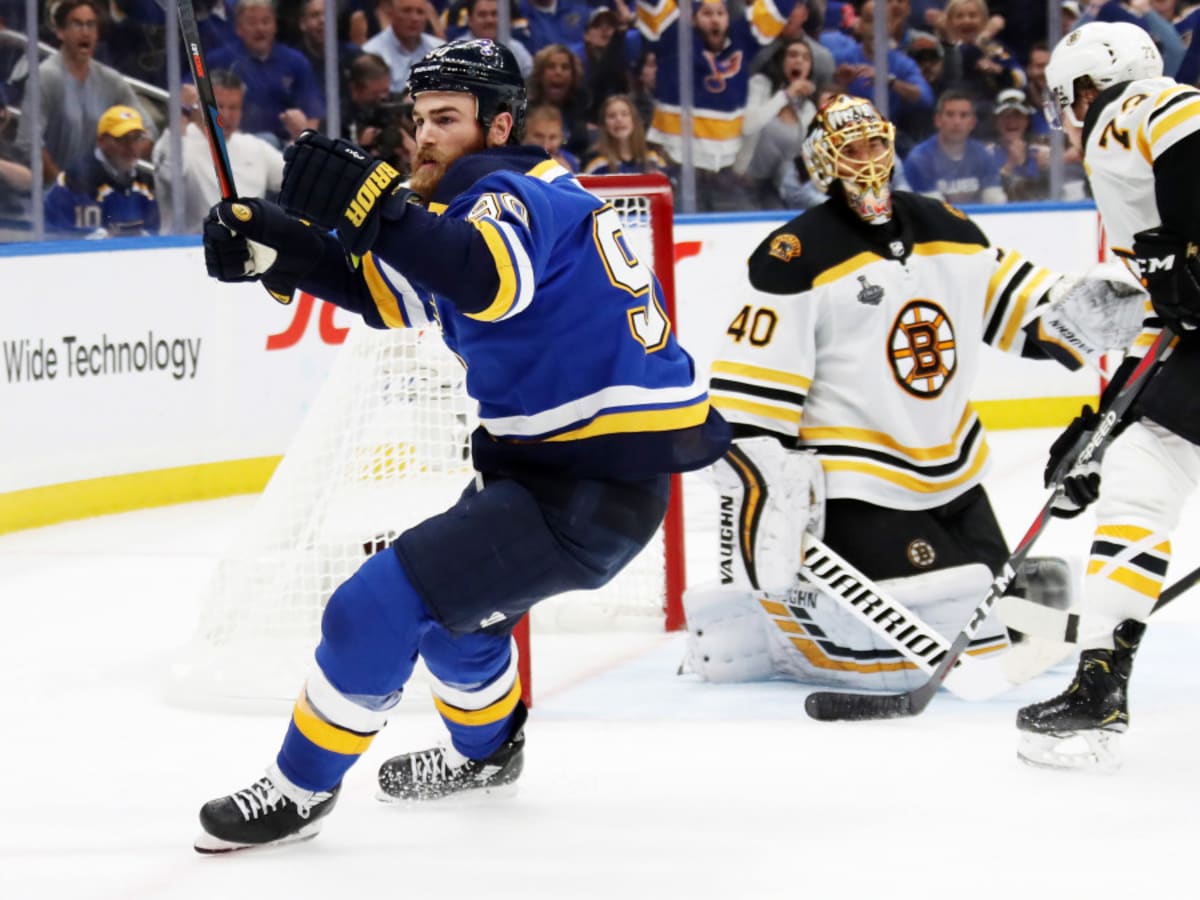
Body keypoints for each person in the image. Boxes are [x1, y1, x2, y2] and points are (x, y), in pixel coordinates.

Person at [194, 37, 730, 852]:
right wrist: (280, 243)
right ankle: (489, 753)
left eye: (446, 118)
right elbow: (392, 291)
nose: (425, 137)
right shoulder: (495, 203)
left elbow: (488, 276)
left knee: (370, 607)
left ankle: (300, 788)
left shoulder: (516, 192)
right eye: (418, 120)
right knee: (458, 624)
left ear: (502, 124)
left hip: (585, 488)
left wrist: (381, 210)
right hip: (569, 478)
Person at [688, 93, 1079, 691]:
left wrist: (1109, 307)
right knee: (932, 636)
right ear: (824, 162)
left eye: (874, 144)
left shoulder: (948, 227)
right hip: (857, 484)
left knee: (995, 622)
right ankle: (782, 637)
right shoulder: (794, 256)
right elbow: (749, 401)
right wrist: (770, 491)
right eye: (850, 149)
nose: (866, 159)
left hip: (953, 474)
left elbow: (1033, 313)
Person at [1015, 21, 1200, 770]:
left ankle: (1099, 689)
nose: (1069, 116)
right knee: (1135, 473)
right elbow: (1168, 325)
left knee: (1140, 489)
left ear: (1084, 88)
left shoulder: (1130, 112)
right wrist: (1099, 426)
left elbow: (1188, 129)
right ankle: (1099, 683)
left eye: (1068, 99)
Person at [14, 0, 156, 184]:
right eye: (77, 24)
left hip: (99, 194)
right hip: (50, 196)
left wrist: (128, 149)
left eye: (91, 25)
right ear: (60, 32)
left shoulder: (111, 81)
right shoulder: (45, 77)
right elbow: (28, 142)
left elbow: (149, 130)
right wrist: (62, 185)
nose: (85, 32)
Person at [153, 74, 285, 233]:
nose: (227, 116)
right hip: (189, 249)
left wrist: (301, 136)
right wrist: (181, 115)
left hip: (249, 249)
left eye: (234, 107)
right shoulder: (177, 140)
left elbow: (298, 178)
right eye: (219, 107)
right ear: (199, 106)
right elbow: (171, 176)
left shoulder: (255, 147)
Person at [206, 0, 326, 147]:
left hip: (284, 147)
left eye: (266, 21)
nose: (260, 28)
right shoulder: (218, 61)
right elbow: (191, 97)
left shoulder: (296, 62)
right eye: (252, 22)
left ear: (275, 25)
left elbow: (313, 115)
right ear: (238, 28)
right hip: (231, 145)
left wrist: (302, 139)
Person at [44, 104, 159, 236]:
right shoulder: (79, 180)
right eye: (122, 139)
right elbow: (85, 243)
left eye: (137, 138)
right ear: (101, 141)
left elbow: (152, 233)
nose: (132, 147)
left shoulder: (144, 181)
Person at [734, 37, 818, 208]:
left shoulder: (808, 108)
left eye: (805, 57)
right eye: (793, 55)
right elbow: (748, 126)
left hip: (773, 187)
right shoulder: (760, 85)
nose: (799, 61)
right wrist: (786, 95)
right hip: (739, 184)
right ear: (781, 61)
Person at [904, 89, 1008, 204]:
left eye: (963, 115)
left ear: (972, 123)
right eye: (950, 114)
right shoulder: (920, 158)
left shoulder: (983, 155)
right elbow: (933, 210)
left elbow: (995, 200)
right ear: (938, 120)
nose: (957, 122)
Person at [363, 0, 445, 91]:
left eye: (420, 12)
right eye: (406, 11)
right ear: (391, 14)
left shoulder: (439, 49)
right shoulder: (372, 52)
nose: (414, 18)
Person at [581, 93, 670, 175]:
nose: (619, 120)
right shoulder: (596, 164)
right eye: (612, 116)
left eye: (624, 114)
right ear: (604, 125)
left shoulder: (654, 159)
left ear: (634, 121)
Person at [522, 102, 580, 170]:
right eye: (538, 136)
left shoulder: (570, 161)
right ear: (524, 133)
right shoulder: (513, 159)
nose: (545, 145)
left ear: (561, 137)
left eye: (553, 137)